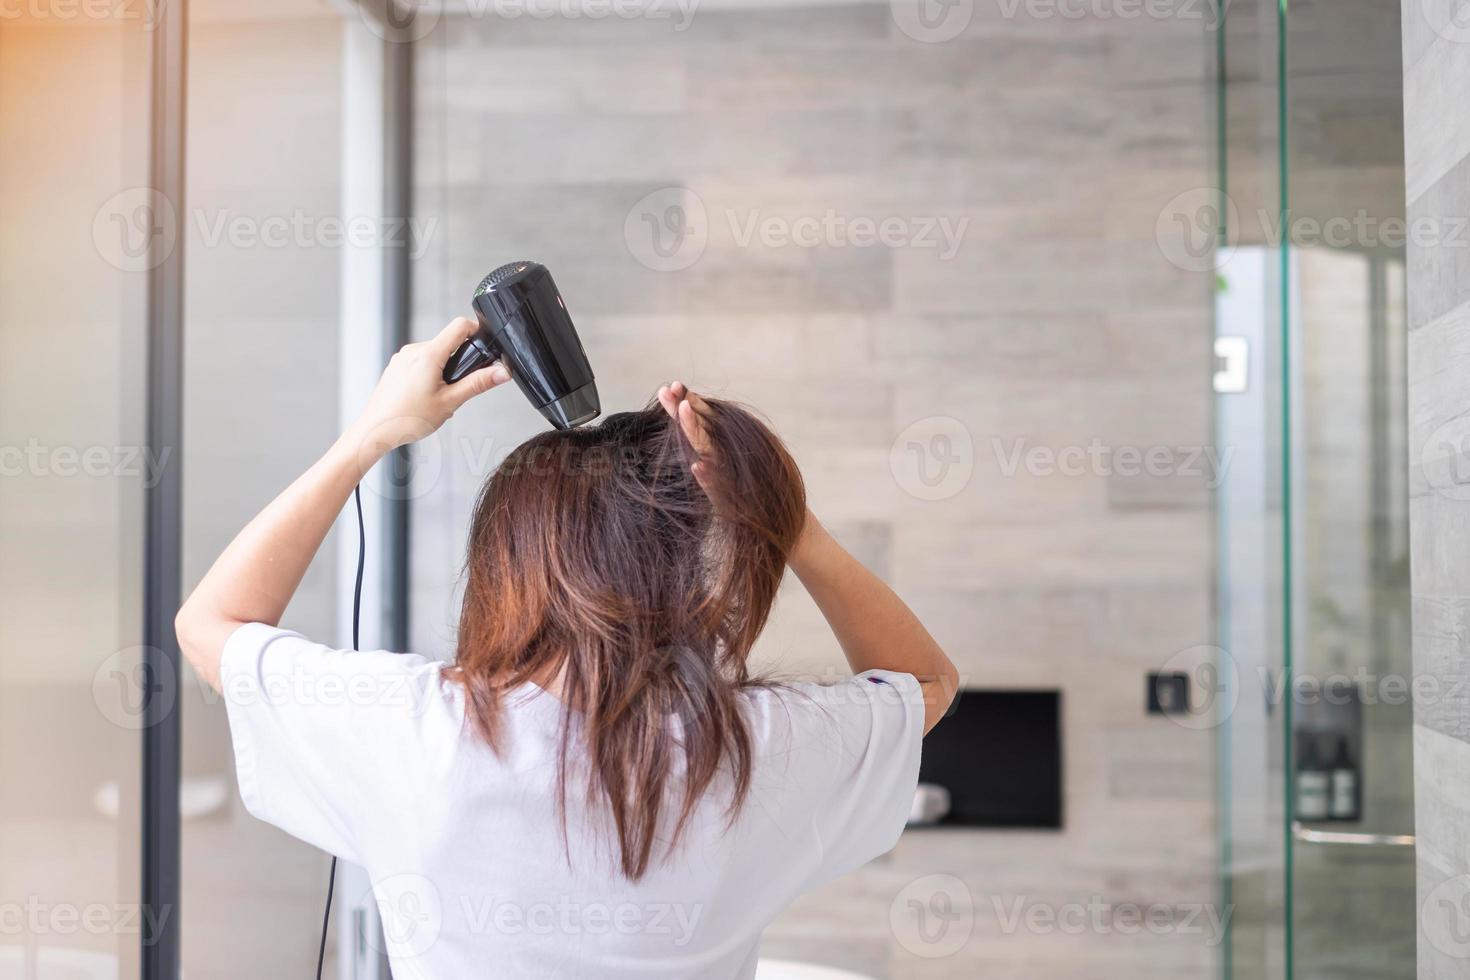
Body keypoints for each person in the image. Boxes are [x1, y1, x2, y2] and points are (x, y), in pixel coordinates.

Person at [175, 317, 959, 978]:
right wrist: (791, 528)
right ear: (678, 569)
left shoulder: (414, 730)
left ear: (503, 564)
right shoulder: (756, 747)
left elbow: (209, 624)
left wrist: (370, 436)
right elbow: (923, 680)